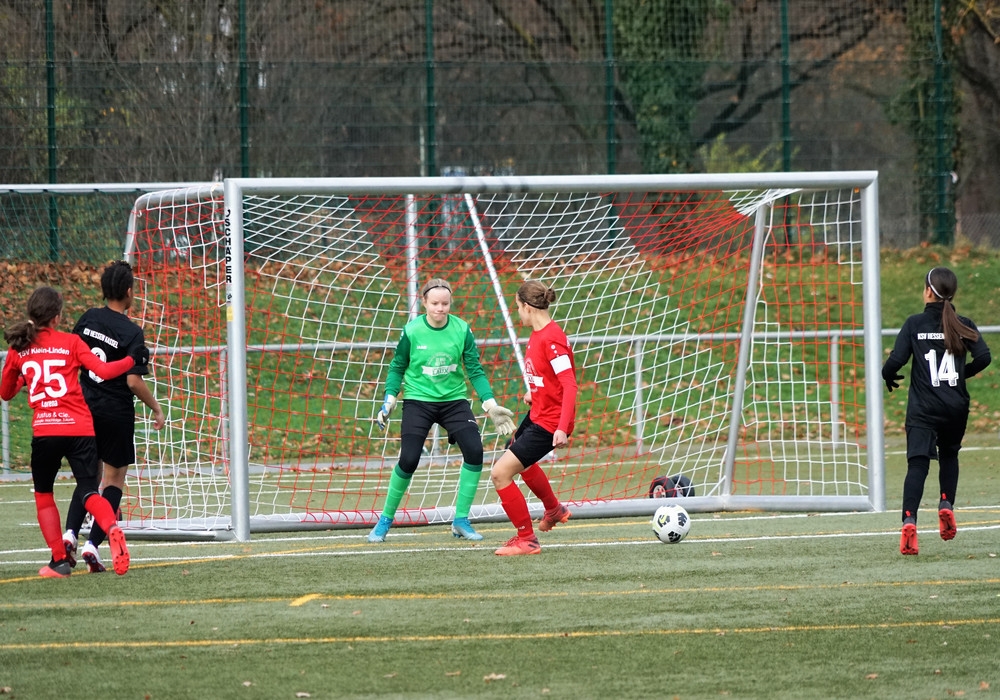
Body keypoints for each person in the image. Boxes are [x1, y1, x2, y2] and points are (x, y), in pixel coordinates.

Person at [1, 286, 147, 577]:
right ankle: (111, 527)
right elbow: (104, 372)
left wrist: (24, 378)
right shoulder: (71, 342)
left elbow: (5, 392)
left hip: (46, 430)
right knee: (89, 490)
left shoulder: (20, 348)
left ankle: (59, 561)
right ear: (57, 317)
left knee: (44, 493)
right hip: (80, 428)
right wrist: (132, 360)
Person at [368, 278, 516, 543]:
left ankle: (461, 520)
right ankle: (385, 520)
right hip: (418, 401)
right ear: (424, 302)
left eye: (445, 303)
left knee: (475, 451)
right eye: (435, 303)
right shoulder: (412, 331)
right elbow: (397, 367)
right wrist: (389, 400)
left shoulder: (461, 329)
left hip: (454, 401)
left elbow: (474, 369)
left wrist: (490, 404)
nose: (440, 308)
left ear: (450, 303)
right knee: (409, 459)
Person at [61, 261, 165, 573]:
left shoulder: (88, 318)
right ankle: (92, 545)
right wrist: (156, 408)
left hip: (84, 408)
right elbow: (133, 381)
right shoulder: (132, 332)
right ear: (129, 292)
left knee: (87, 478)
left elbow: (71, 359)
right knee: (114, 480)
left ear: (105, 290)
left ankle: (69, 536)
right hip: (116, 413)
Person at [882, 267, 991, 556]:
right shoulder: (963, 323)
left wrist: (887, 375)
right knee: (949, 455)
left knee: (918, 464)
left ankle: (909, 521)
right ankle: (946, 503)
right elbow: (984, 357)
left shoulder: (914, 323)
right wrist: (959, 374)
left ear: (928, 291)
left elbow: (896, 361)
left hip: (924, 408)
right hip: (955, 406)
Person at [490, 280, 577, 556]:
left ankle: (527, 539)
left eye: (518, 307)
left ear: (527, 307)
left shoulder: (552, 339)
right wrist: (535, 392)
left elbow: (570, 385)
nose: (518, 313)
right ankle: (553, 509)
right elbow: (549, 378)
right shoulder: (539, 335)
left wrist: (561, 428)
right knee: (516, 455)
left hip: (550, 424)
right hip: (539, 413)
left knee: (500, 474)